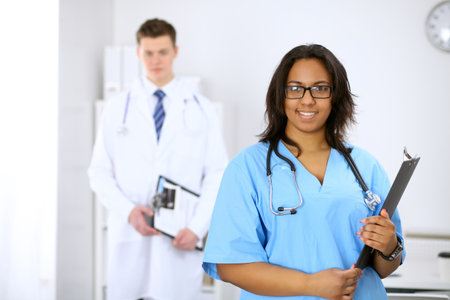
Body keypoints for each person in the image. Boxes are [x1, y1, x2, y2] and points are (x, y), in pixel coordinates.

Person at [202, 44, 405, 300]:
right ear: (280, 96)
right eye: (295, 88)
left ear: (335, 96)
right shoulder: (247, 168)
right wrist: (310, 285)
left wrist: (389, 247)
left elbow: (385, 267)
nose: (307, 100)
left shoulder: (365, 166)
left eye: (320, 88)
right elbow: (229, 265)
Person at [88, 18, 228, 300]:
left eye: (163, 52)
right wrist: (128, 211)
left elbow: (217, 174)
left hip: (180, 239)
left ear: (175, 51)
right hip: (131, 237)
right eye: (148, 53)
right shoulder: (117, 109)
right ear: (138, 53)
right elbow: (99, 172)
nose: (156, 60)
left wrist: (197, 228)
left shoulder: (201, 109)